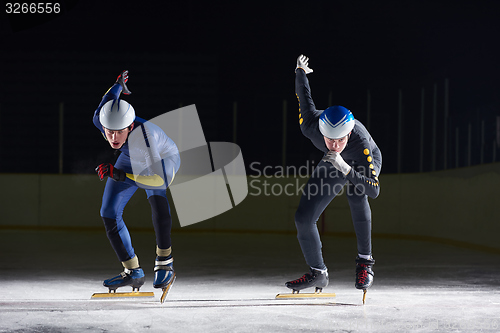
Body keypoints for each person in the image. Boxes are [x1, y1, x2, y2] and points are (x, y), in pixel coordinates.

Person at [286, 55, 382, 295]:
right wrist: (300, 71)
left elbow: (374, 189)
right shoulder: (311, 125)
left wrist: (347, 168)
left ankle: (365, 263)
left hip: (360, 163)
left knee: (357, 195)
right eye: (330, 140)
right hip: (333, 164)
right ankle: (318, 273)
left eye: (341, 140)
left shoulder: (359, 142)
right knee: (303, 217)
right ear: (321, 132)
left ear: (349, 133)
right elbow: (303, 96)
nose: (336, 144)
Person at [93, 70, 180, 297]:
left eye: (119, 132)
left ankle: (165, 261)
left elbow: (157, 179)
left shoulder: (145, 136)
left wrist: (121, 176)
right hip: (131, 156)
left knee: (157, 200)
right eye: (109, 132)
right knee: (108, 212)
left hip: (160, 158)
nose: (113, 138)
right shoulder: (101, 118)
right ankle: (132, 271)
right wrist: (119, 84)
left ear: (130, 127)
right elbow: (109, 98)